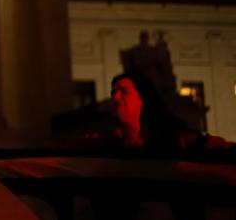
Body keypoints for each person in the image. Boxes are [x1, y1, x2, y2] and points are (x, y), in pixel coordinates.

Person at [79, 72, 233, 220]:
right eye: (113, 92)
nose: (115, 97)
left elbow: (214, 148)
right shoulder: (105, 143)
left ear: (143, 99)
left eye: (124, 92)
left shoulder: (176, 139)